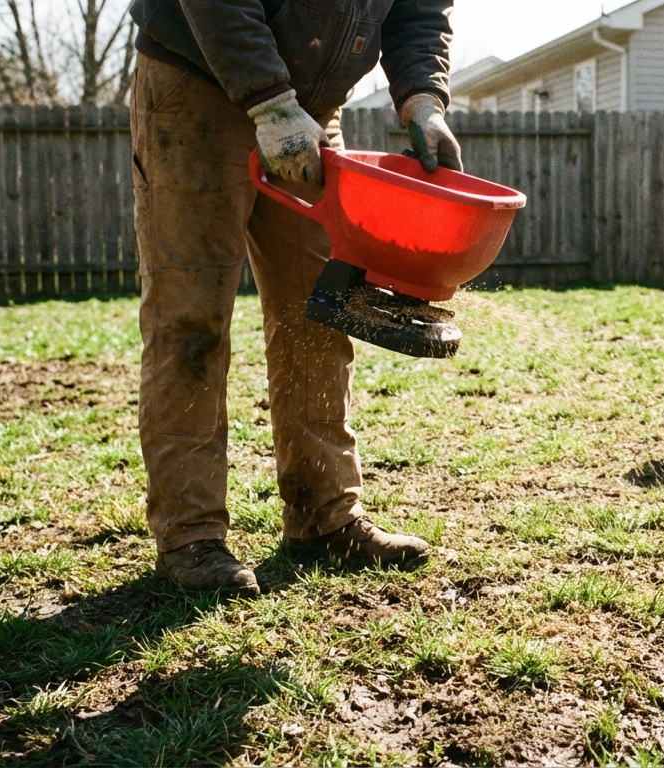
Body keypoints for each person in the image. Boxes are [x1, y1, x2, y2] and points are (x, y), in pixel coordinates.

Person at [126, 0, 462, 597]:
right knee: (192, 318)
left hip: (311, 111)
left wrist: (423, 98)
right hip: (197, 87)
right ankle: (190, 535)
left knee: (319, 311)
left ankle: (323, 516)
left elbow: (418, 7)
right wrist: (268, 100)